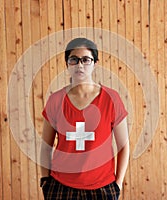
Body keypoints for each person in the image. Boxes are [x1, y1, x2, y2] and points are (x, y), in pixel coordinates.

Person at [40, 37, 129, 200]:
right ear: (67, 63)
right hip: (61, 186)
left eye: (86, 60)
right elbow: (46, 146)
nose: (80, 65)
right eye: (74, 59)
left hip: (102, 187)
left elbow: (124, 146)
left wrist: (118, 184)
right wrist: (45, 181)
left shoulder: (111, 99)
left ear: (95, 63)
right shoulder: (56, 100)